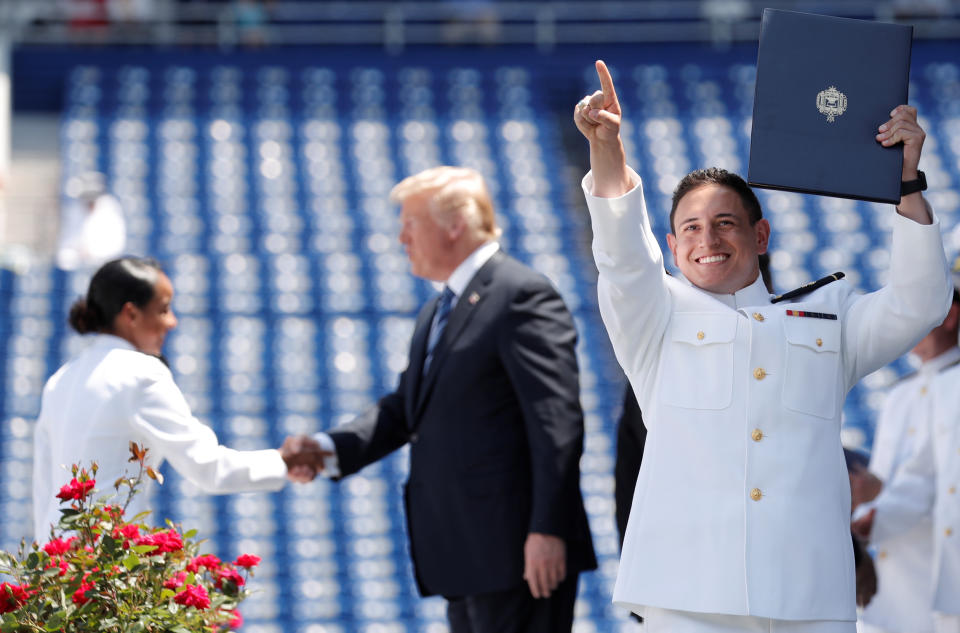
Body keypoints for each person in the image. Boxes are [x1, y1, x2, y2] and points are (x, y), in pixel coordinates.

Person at [575, 59, 950, 632]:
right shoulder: (653, 317)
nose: (709, 240)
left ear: (761, 234)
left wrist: (906, 181)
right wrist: (607, 150)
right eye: (693, 228)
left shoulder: (831, 316)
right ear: (673, 246)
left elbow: (919, 302)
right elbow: (622, 256)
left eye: (726, 222)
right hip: (688, 599)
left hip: (810, 598)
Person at [283, 166, 597, 633]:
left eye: (410, 223)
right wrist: (329, 448)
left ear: (455, 224)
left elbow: (556, 423)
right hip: (468, 557)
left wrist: (547, 530)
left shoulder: (520, 294)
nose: (400, 237)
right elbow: (404, 409)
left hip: (520, 556)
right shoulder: (439, 309)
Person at [32, 257, 317, 539]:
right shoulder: (141, 372)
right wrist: (283, 461)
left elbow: (44, 489)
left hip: (56, 566)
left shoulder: (60, 379)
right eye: (164, 310)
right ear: (130, 314)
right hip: (107, 565)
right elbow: (207, 466)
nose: (172, 322)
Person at [851, 290, 960, 633]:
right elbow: (919, 478)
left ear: (950, 315)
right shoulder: (901, 393)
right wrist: (872, 517)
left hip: (937, 559)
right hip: (899, 569)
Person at [56, 172, 126, 271]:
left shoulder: (110, 208)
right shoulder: (74, 210)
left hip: (104, 266)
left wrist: (92, 253)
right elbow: (66, 244)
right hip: (78, 264)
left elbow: (116, 247)